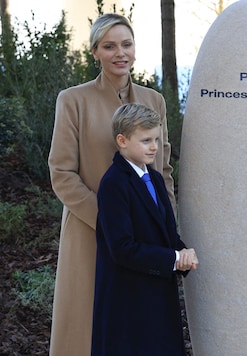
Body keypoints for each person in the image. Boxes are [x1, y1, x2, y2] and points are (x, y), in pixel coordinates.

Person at [47, 13, 175, 356]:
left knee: (140, 327)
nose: (120, 53)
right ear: (95, 52)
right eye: (109, 46)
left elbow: (162, 171)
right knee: (88, 326)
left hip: (145, 236)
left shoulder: (155, 101)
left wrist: (165, 224)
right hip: (91, 231)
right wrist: (109, 219)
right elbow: (61, 172)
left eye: (126, 44)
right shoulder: (73, 100)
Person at [91, 103, 197, 355]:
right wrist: (173, 259)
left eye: (157, 139)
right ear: (122, 140)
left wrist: (183, 251)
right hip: (128, 298)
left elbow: (167, 233)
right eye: (146, 140)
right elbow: (122, 248)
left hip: (158, 293)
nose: (154, 147)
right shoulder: (113, 184)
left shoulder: (156, 179)